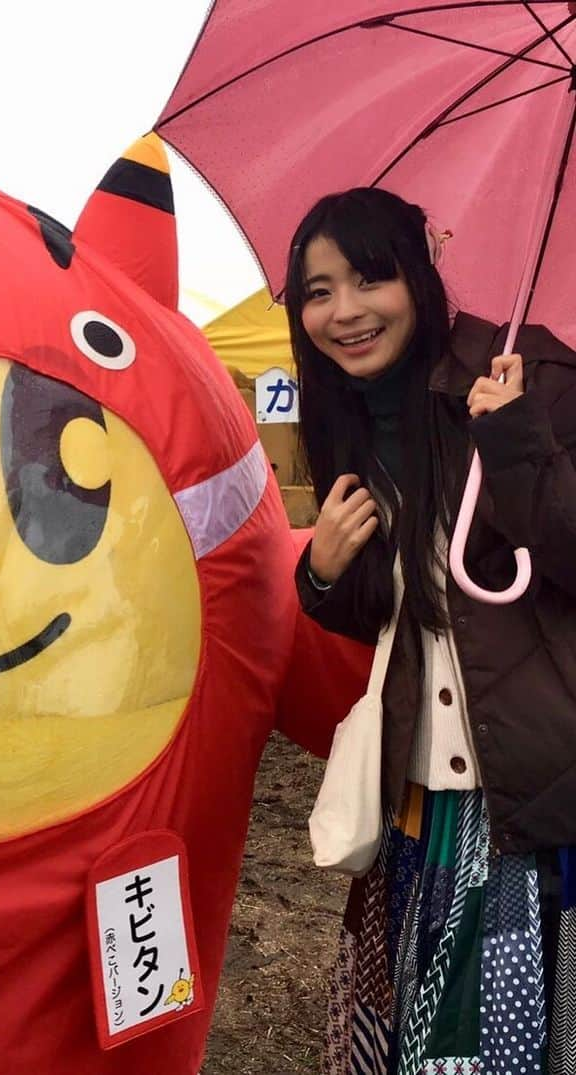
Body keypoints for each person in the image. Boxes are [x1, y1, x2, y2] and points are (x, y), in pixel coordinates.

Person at [285, 187, 576, 1075]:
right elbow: (396, 609)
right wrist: (322, 574)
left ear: (419, 273)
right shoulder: (354, 426)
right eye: (319, 289)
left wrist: (518, 438)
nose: (347, 311)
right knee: (415, 1038)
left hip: (531, 790)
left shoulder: (526, 375)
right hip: (421, 798)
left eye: (370, 277)